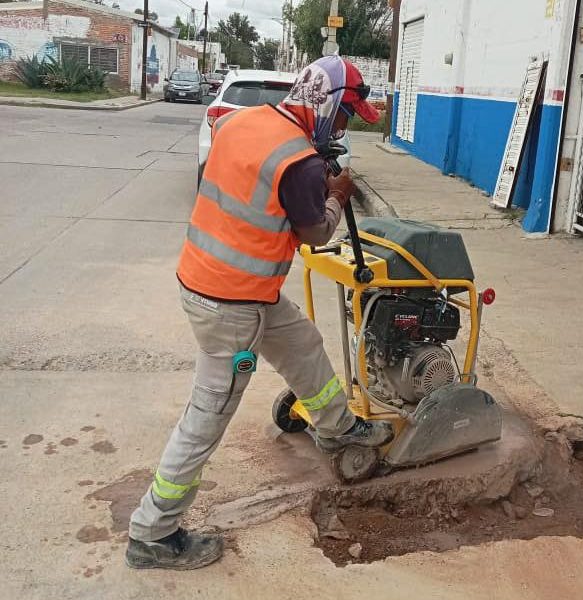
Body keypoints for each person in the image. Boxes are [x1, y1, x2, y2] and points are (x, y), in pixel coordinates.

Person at [126, 56, 393, 571]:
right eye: (345, 115)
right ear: (327, 103)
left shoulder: (243, 121)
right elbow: (315, 233)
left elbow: (247, 193)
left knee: (303, 344)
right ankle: (153, 532)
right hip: (230, 305)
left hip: (226, 285)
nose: (346, 125)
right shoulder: (299, 160)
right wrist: (336, 193)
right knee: (208, 415)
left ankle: (338, 428)